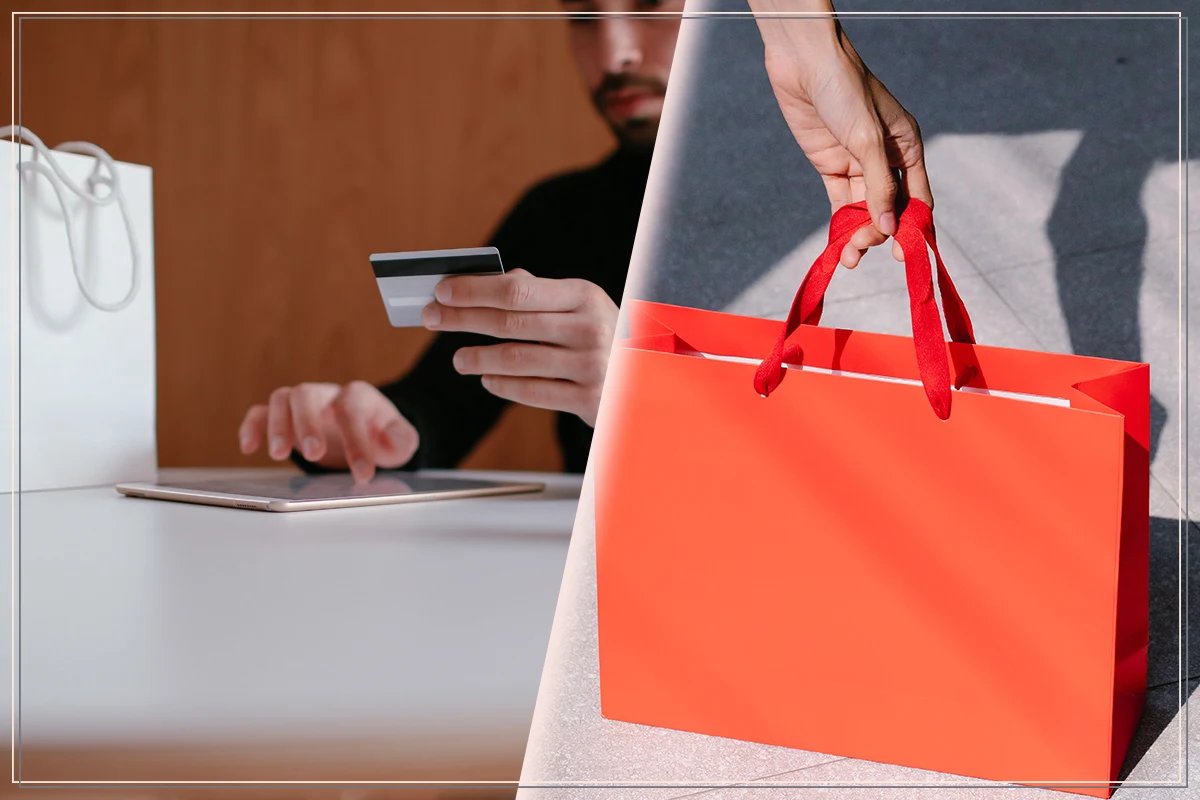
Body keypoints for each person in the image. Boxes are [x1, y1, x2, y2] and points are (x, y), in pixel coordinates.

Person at [239, 0, 932, 482]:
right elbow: (439, 405)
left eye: (649, 2)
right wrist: (368, 428)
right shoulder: (559, 214)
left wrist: (648, 398)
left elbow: (894, 457)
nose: (614, 52)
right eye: (582, 16)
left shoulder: (846, 200)